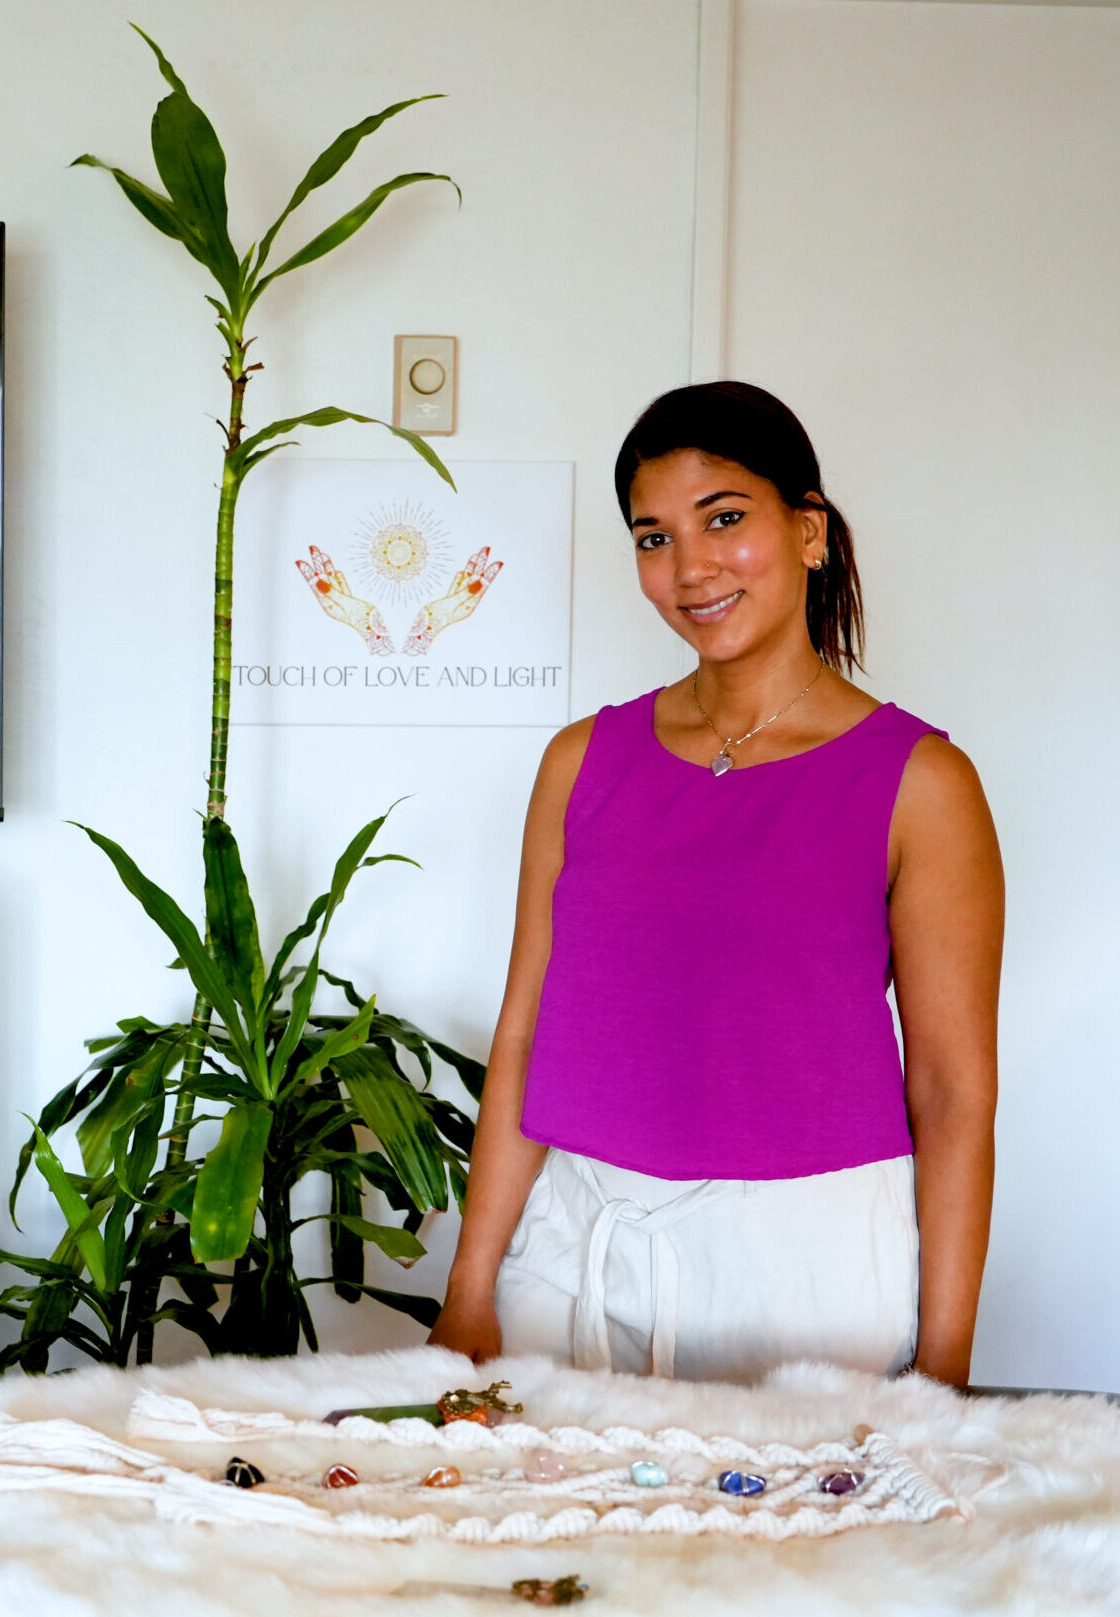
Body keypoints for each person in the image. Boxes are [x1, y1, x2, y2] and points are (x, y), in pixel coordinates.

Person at [428, 382, 1002, 1387]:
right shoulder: (580, 761)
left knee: (786, 1547)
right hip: (573, 1249)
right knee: (549, 1541)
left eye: (723, 519)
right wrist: (471, 1285)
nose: (688, 568)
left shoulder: (919, 783)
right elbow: (525, 1032)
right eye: (652, 538)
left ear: (807, 531)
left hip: (805, 1268)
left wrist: (943, 1367)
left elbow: (950, 1093)